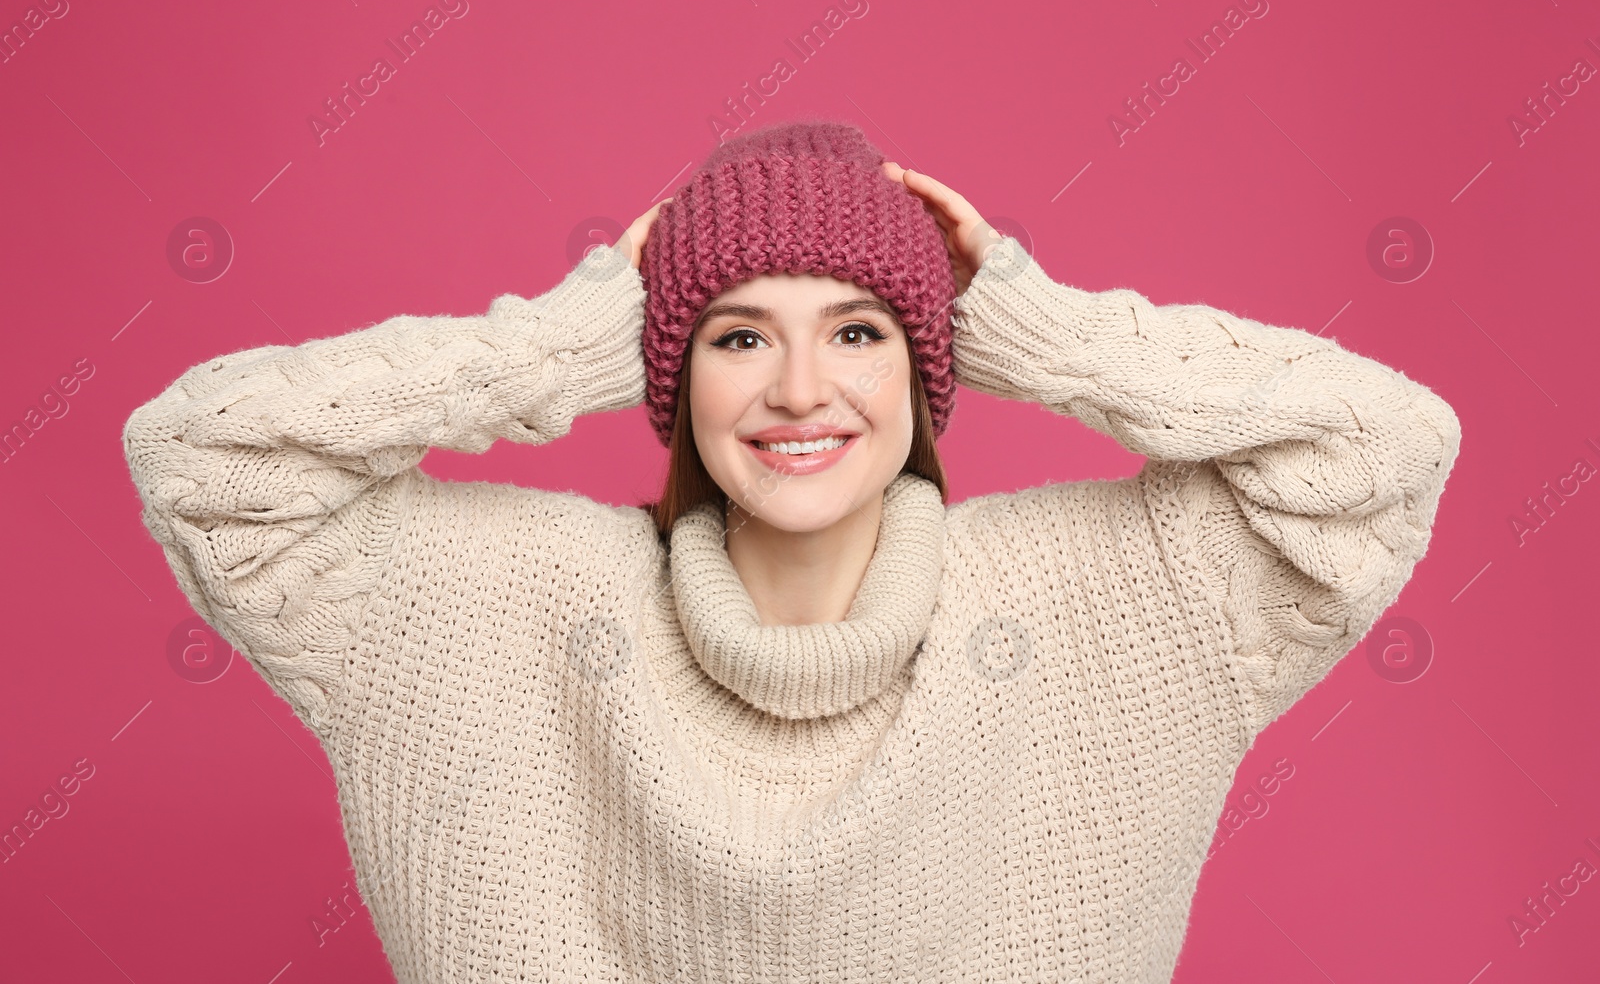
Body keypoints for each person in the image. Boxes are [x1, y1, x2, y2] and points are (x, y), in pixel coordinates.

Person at [121, 119, 1462, 982]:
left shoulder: (1107, 605)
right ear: (676, 374)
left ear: (934, 371)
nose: (801, 389)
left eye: (863, 331)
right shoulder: (493, 604)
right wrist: (571, 339)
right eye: (739, 334)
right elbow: (208, 456)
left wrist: (1025, 323)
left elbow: (1380, 451)